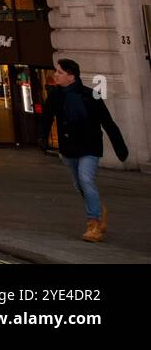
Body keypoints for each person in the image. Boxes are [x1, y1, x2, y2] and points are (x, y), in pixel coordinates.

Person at [38, 58, 129, 243]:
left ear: (71, 76)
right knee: (79, 185)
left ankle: (94, 224)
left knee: (86, 180)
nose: (55, 74)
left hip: (90, 146)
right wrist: (42, 139)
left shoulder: (91, 95)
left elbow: (107, 122)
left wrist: (120, 148)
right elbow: (46, 118)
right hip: (68, 148)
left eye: (59, 72)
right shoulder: (55, 95)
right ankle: (97, 208)